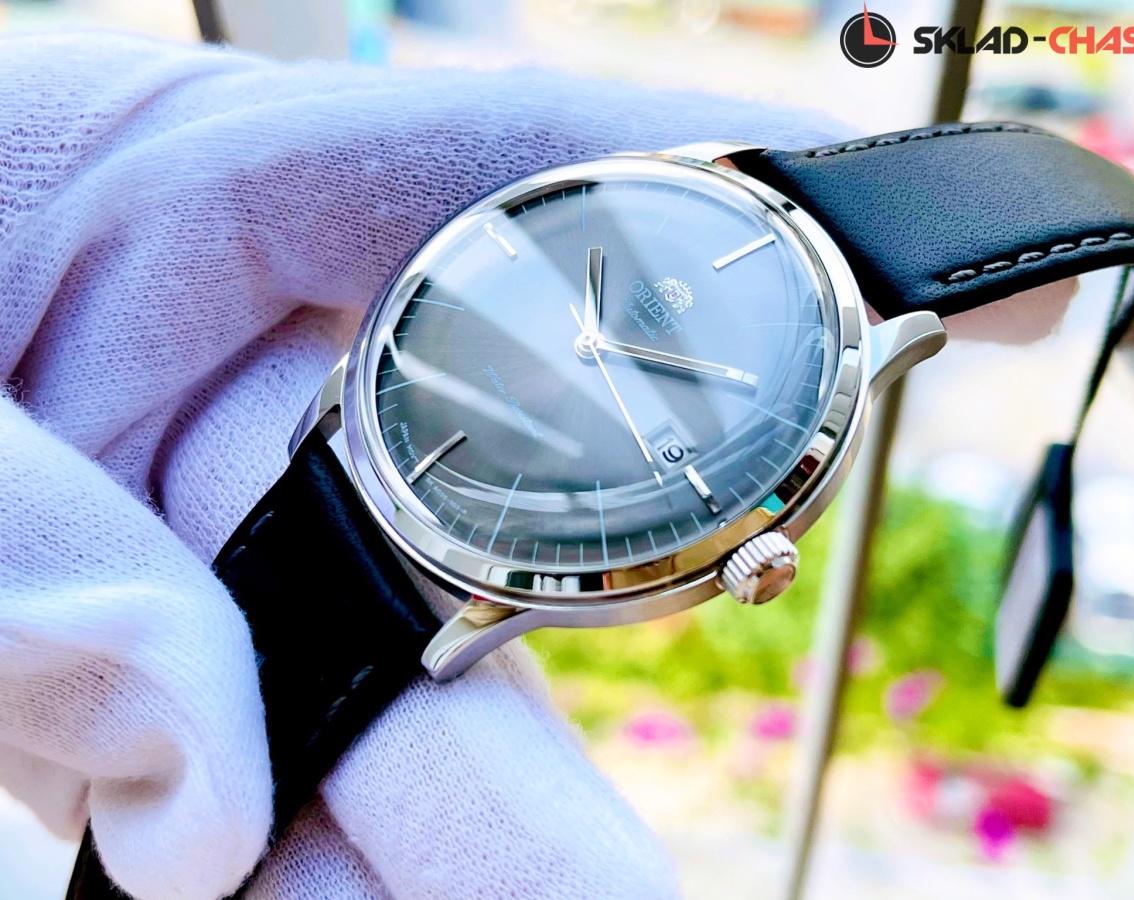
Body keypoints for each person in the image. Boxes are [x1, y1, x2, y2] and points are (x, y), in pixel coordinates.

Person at [0, 29, 1070, 900]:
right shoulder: (698, 207)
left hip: (443, 531)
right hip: (371, 452)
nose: (595, 343)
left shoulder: (818, 324)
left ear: (754, 552)